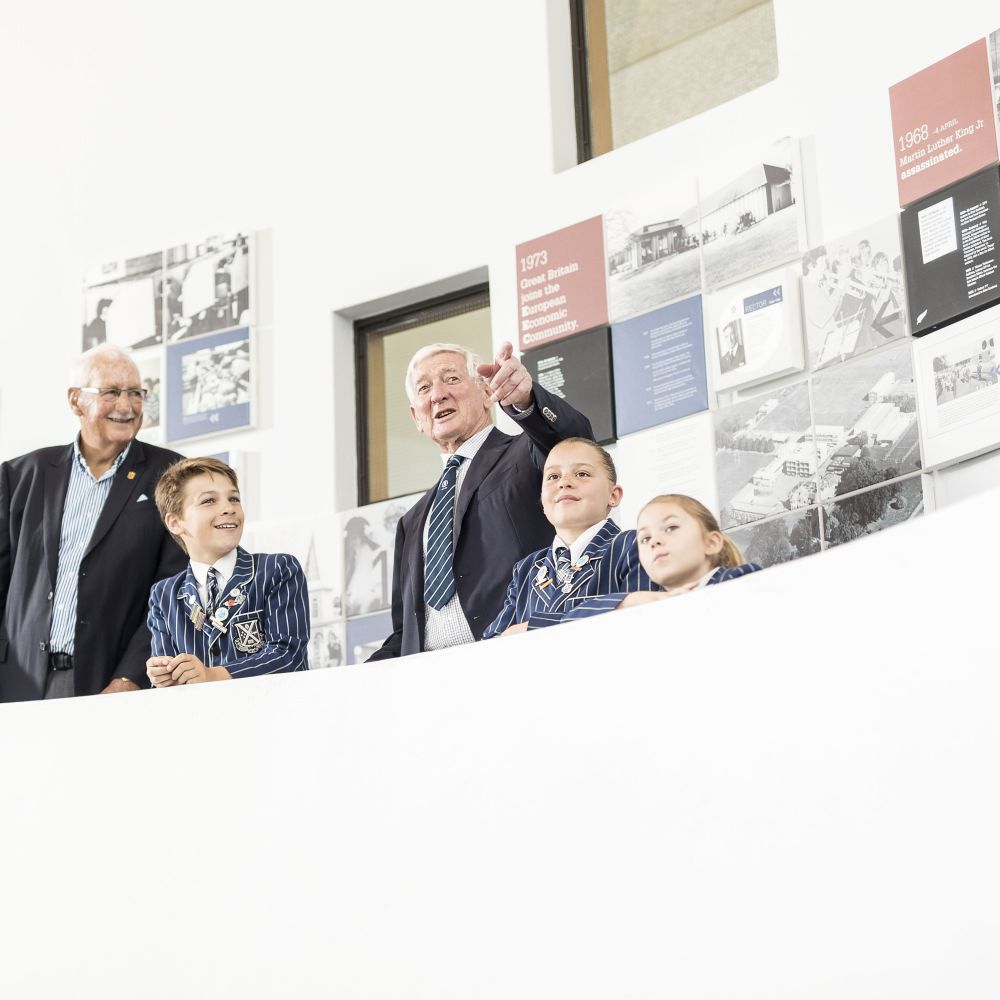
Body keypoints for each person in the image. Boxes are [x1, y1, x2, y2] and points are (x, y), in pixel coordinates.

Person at [367, 340, 594, 659]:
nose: (437, 395)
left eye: (452, 378)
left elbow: (577, 447)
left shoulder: (525, 454)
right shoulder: (412, 521)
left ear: (487, 392)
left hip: (515, 655)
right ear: (416, 417)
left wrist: (526, 401)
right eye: (424, 388)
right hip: (431, 682)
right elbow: (406, 630)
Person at [0, 345, 186, 701]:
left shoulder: (171, 475)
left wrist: (129, 678)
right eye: (111, 392)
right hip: (18, 684)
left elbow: (174, 593)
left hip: (111, 686)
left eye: (135, 393)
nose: (127, 405)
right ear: (75, 401)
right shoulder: (20, 476)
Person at [145, 457, 309, 685]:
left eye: (234, 499)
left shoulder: (276, 570)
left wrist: (213, 675)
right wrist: (164, 676)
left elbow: (287, 655)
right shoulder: (164, 595)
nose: (228, 508)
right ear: (175, 522)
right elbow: (169, 678)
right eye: (209, 501)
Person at [483, 438, 654, 637]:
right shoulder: (526, 570)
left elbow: (643, 619)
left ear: (613, 495)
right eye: (553, 476)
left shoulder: (635, 546)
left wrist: (531, 628)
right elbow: (492, 642)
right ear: (542, 500)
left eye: (582, 474)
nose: (564, 482)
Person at [563, 494, 761, 620]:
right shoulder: (649, 607)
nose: (654, 541)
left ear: (711, 542)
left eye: (671, 528)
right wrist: (632, 601)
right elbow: (568, 621)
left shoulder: (740, 580)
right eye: (645, 538)